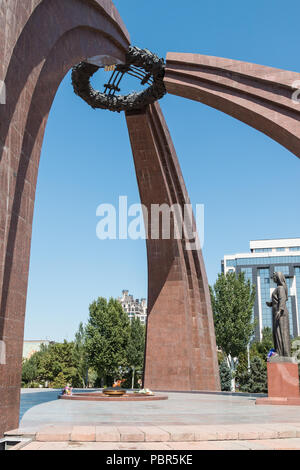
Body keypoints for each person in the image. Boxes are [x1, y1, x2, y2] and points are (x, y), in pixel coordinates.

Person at [266, 271, 291, 357]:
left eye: (274, 276)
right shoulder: (278, 288)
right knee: (277, 333)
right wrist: (271, 304)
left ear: (278, 277)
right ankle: (279, 351)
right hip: (277, 314)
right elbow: (277, 300)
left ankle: (284, 354)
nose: (273, 278)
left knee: (281, 333)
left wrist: (280, 310)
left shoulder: (280, 288)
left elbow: (282, 299)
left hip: (281, 314)